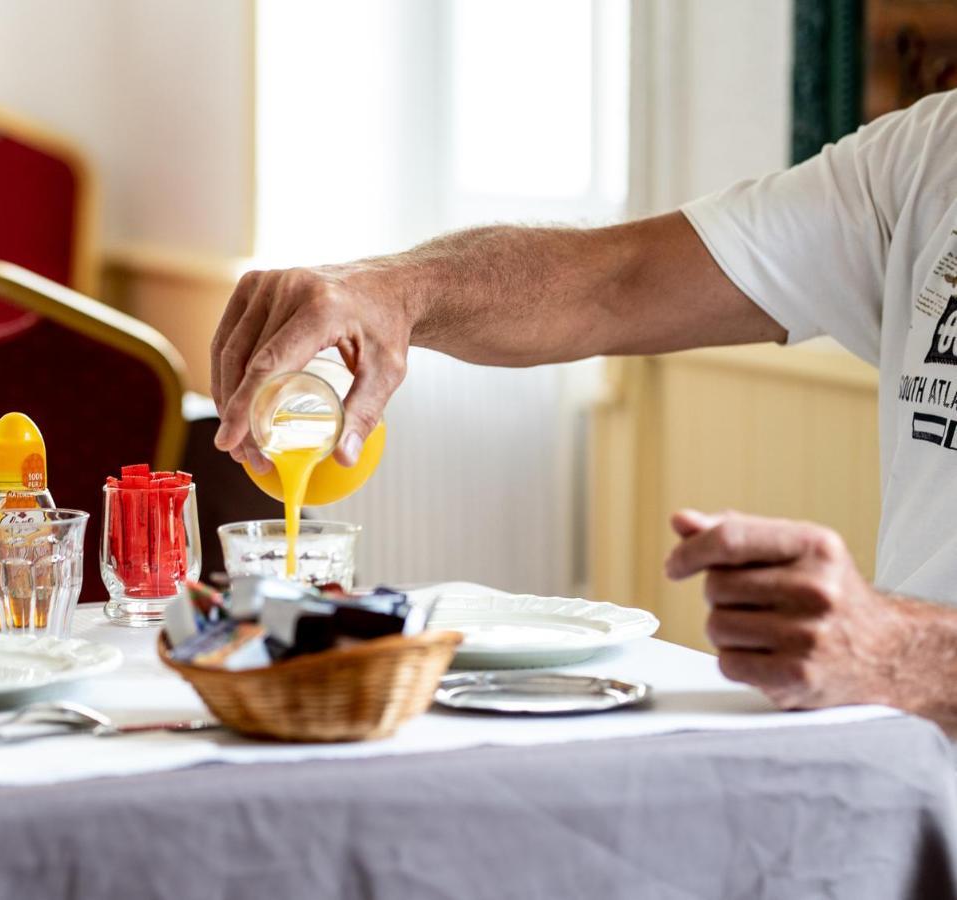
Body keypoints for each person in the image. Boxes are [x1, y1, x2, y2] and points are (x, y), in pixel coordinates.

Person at [211, 90, 957, 731]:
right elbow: (618, 280)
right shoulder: (925, 156)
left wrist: (903, 652)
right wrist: (394, 291)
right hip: (904, 771)